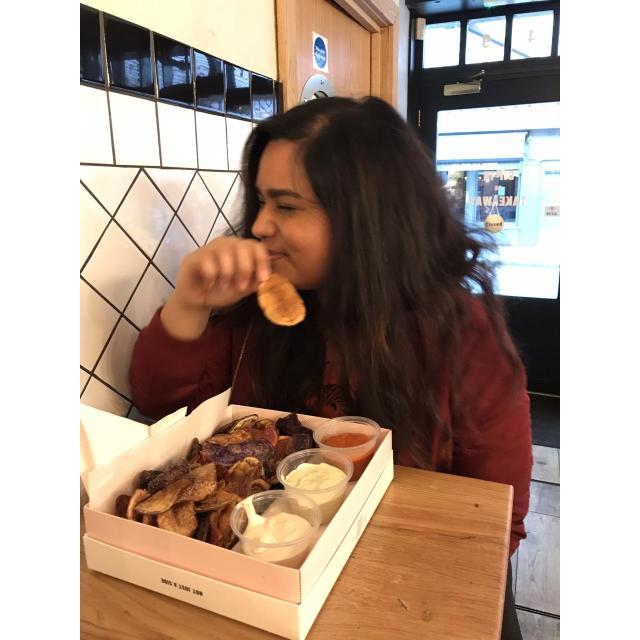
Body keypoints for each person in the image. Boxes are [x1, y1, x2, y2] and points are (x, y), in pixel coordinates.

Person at [130, 96, 531, 639]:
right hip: (268, 576)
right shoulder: (258, 310)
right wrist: (190, 304)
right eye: (261, 202)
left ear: (366, 218)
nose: (260, 226)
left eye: (287, 206)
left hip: (403, 590)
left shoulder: (459, 332)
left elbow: (497, 515)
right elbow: (161, 403)